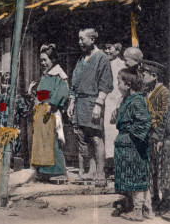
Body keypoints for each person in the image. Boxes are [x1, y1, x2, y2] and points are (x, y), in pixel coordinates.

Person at [67, 28, 113, 187]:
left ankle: (101, 174)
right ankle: (89, 172)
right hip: (80, 103)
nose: (80, 42)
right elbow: (74, 83)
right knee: (82, 137)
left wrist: (98, 105)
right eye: (79, 39)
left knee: (96, 138)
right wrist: (72, 102)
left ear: (92, 40)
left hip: (93, 102)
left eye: (82, 39)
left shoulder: (102, 58)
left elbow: (105, 84)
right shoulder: (81, 59)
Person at [112, 68, 151, 222]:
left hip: (133, 146)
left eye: (119, 82)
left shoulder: (137, 100)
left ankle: (138, 210)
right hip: (125, 145)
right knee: (128, 176)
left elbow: (144, 123)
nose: (117, 85)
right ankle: (130, 206)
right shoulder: (128, 100)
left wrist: (129, 134)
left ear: (128, 84)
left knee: (135, 175)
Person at [30, 44, 69, 180]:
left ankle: (58, 171)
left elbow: (63, 92)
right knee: (41, 142)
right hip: (40, 113)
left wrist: (52, 104)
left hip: (50, 113)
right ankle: (43, 171)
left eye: (45, 60)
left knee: (52, 142)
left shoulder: (59, 75)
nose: (43, 63)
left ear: (53, 60)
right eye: (41, 60)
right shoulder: (45, 76)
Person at [141, 60, 169, 214]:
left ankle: (159, 202)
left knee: (157, 170)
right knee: (151, 169)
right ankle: (153, 201)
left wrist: (157, 136)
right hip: (149, 135)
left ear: (154, 76)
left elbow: (161, 117)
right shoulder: (148, 91)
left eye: (144, 74)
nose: (142, 77)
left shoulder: (163, 93)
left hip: (156, 136)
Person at [0, 72, 28, 165]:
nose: (6, 86)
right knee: (1, 143)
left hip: (13, 124)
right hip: (2, 124)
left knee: (12, 144)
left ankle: (10, 164)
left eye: (8, 83)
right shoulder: (0, 97)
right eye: (4, 83)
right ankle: (1, 164)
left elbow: (24, 111)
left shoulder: (17, 98)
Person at [103, 42, 125, 167]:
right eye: (105, 48)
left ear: (117, 50)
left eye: (110, 48)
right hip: (105, 101)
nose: (107, 51)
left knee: (114, 131)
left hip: (115, 101)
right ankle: (108, 164)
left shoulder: (121, 65)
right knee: (106, 133)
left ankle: (115, 164)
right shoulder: (104, 63)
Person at [155, 91, 170, 220]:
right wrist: (160, 139)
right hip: (168, 143)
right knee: (166, 175)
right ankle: (166, 204)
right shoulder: (169, 102)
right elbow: (164, 120)